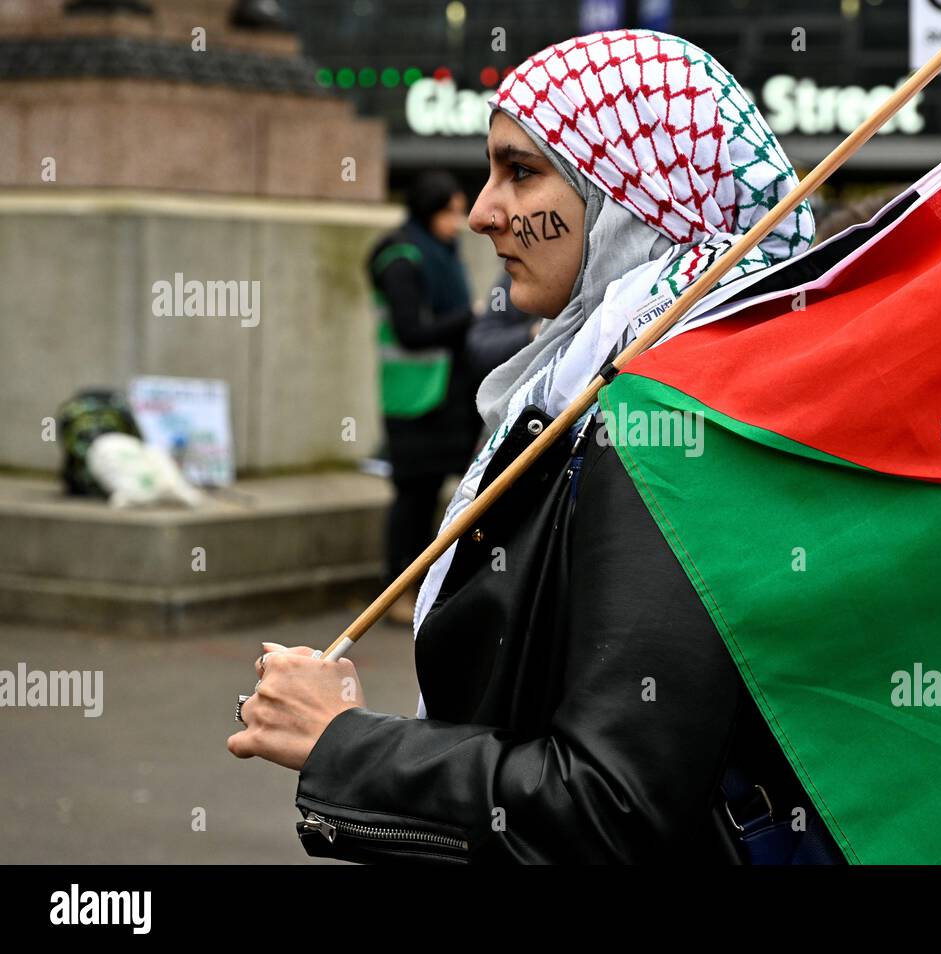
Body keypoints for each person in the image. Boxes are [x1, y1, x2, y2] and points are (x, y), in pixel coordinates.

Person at [227, 29, 842, 864]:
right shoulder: (631, 383)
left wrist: (346, 744)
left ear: (637, 194)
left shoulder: (667, 420)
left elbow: (611, 804)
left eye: (521, 172)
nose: (484, 212)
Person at [368, 170, 479, 626]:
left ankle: (422, 588)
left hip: (446, 392)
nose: (459, 222)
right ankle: (394, 589)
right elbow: (411, 332)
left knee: (433, 492)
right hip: (413, 395)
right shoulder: (401, 256)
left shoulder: (442, 252)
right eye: (449, 212)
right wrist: (470, 319)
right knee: (412, 495)